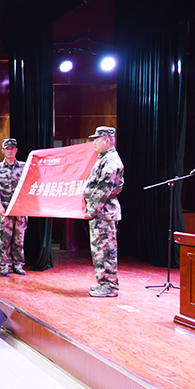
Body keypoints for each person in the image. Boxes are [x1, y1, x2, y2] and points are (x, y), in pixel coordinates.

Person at [84, 126, 124, 298]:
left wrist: (91, 210)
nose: (94, 142)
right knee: (99, 250)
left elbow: (104, 189)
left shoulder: (111, 161)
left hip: (104, 213)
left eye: (97, 139)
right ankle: (103, 283)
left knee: (106, 251)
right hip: (101, 214)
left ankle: (110, 286)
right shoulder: (103, 158)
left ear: (107, 140)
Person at [0, 138, 28, 276]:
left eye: (12, 148)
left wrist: (24, 206)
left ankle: (18, 264)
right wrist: (0, 207)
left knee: (19, 239)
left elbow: (27, 187)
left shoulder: (24, 167)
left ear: (16, 150)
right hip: (4, 207)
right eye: (7, 149)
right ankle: (5, 265)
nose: (10, 151)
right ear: (3, 151)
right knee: (4, 239)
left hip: (20, 208)